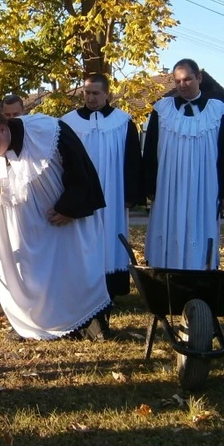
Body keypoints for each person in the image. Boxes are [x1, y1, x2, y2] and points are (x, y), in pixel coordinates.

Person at [0, 108, 112, 341]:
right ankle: (28, 325)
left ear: (3, 128)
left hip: (59, 224)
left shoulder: (47, 131)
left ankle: (89, 324)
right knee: (24, 277)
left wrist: (70, 208)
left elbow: (80, 168)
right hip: (16, 233)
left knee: (73, 269)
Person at [141, 58, 224, 270]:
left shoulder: (218, 110)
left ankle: (201, 271)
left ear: (199, 77)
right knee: (168, 225)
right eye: (178, 80)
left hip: (205, 185)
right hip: (169, 185)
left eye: (188, 79)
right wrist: (150, 187)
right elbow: (151, 150)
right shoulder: (161, 109)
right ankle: (165, 273)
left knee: (200, 227)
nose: (183, 84)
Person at [61, 73, 140, 298]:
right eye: (87, 92)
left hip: (113, 193)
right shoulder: (69, 122)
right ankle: (83, 286)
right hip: (81, 192)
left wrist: (130, 194)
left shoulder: (123, 122)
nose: (91, 98)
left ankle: (112, 287)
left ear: (107, 93)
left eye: (96, 93)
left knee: (111, 235)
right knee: (83, 238)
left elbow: (132, 160)